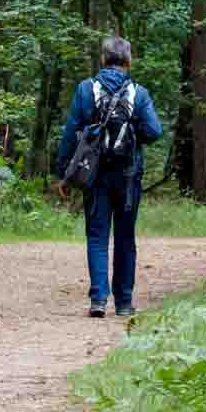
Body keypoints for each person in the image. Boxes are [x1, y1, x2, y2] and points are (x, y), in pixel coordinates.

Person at [55, 34, 163, 319]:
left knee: (97, 235)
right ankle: (124, 303)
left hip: (95, 174)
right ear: (128, 61)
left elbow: (70, 133)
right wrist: (132, 130)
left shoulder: (85, 89)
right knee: (125, 237)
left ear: (103, 59)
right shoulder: (138, 93)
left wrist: (63, 173)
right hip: (129, 176)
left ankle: (99, 300)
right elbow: (154, 131)